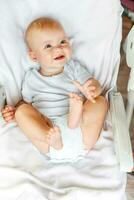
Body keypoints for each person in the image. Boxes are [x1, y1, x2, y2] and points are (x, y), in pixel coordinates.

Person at [2, 17, 108, 155]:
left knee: (100, 101)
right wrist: (14, 112)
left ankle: (75, 119)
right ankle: (55, 138)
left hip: (83, 134)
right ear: (34, 57)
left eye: (62, 42)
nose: (58, 48)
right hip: (49, 134)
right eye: (48, 46)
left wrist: (92, 90)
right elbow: (27, 105)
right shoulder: (31, 79)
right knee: (22, 111)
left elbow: (91, 83)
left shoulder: (74, 68)